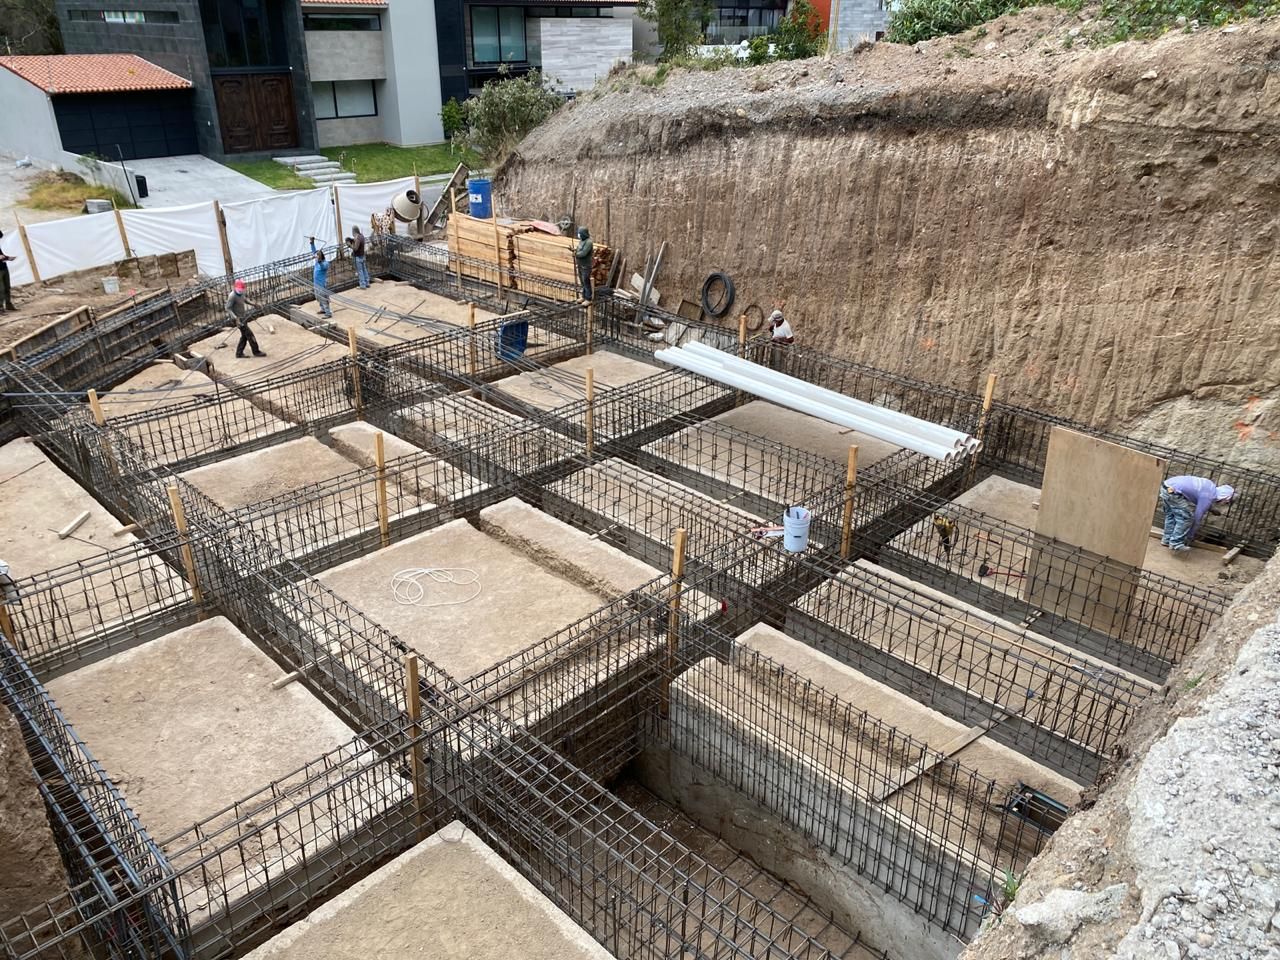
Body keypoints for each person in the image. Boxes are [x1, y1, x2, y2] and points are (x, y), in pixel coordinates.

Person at [1159, 475, 1235, 552]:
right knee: (1186, 518)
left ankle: (1166, 539)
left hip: (1167, 487)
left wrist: (1211, 509)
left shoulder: (1210, 487)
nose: (1224, 503)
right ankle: (1176, 543)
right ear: (1225, 497)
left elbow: (1201, 497)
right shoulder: (1208, 497)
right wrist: (1189, 536)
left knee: (1171, 516)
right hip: (1174, 493)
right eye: (1226, 502)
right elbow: (1197, 519)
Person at [225, 279, 266, 358]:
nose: (241, 291)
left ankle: (239, 353)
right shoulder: (232, 296)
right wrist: (236, 318)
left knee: (244, 336)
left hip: (243, 317)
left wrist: (254, 304)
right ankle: (256, 351)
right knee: (250, 335)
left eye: (242, 289)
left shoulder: (241, 293)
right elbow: (228, 308)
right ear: (235, 288)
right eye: (239, 289)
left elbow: (245, 299)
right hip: (237, 319)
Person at [309, 237, 332, 318]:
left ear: (321, 257)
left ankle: (328, 313)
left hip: (321, 285)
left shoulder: (325, 263)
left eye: (318, 256)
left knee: (323, 298)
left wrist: (319, 261)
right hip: (316, 284)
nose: (316, 257)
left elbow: (323, 267)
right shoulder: (317, 261)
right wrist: (312, 243)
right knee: (318, 297)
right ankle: (323, 309)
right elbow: (314, 252)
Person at [574, 226, 594, 302]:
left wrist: (576, 254)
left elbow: (583, 253)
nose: (578, 235)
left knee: (586, 281)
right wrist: (574, 250)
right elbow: (579, 249)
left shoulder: (589, 242)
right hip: (580, 264)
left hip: (586, 265)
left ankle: (588, 298)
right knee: (582, 282)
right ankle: (583, 296)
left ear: (583, 234)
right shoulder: (581, 241)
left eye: (579, 233)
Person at [0, 230, 17, 313]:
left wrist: (7, 258)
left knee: (7, 286)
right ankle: (0, 307)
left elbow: (1, 235)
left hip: (3, 266)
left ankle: (8, 304)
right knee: (1, 289)